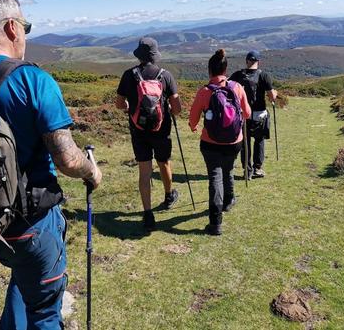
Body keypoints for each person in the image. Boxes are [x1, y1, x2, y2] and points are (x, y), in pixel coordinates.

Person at [0, 0, 102, 330]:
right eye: (25, 27)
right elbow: (67, 159)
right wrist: (92, 171)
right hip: (31, 222)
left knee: (24, 271)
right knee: (45, 311)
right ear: (12, 27)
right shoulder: (33, 79)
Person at [115, 37, 181, 231]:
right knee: (164, 163)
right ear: (155, 55)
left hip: (138, 130)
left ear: (140, 55)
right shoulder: (165, 75)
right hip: (162, 130)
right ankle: (169, 195)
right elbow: (176, 108)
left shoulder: (129, 75)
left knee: (145, 170)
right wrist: (167, 107)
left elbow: (119, 104)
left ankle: (148, 213)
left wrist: (129, 107)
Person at [189, 49, 251, 235]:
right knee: (229, 169)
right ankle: (229, 200)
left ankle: (215, 222)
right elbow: (247, 113)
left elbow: (193, 119)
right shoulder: (237, 87)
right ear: (226, 69)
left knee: (215, 177)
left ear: (209, 71)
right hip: (234, 141)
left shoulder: (204, 92)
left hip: (210, 142)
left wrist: (194, 126)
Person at [229, 50, 277, 179]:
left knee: (245, 142)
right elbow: (272, 96)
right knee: (259, 140)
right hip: (259, 114)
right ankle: (257, 168)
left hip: (243, 113)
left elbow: (227, 88)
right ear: (258, 62)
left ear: (246, 61)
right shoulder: (264, 75)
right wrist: (275, 94)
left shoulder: (238, 75)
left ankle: (247, 170)